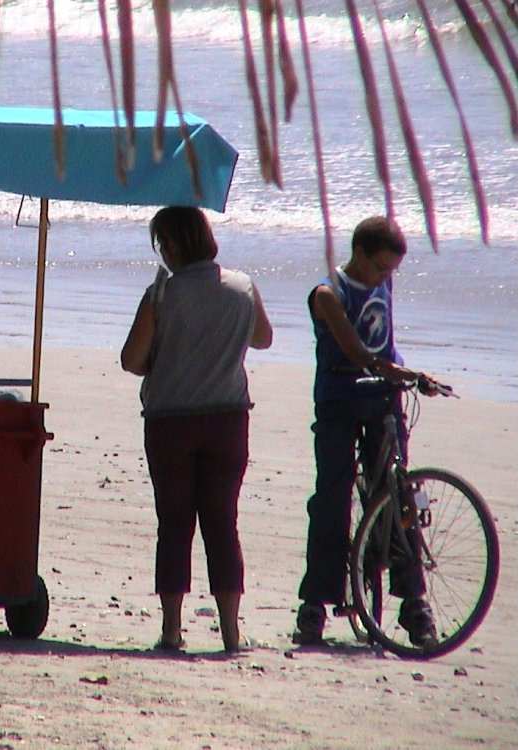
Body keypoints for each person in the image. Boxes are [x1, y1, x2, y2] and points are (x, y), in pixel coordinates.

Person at [121, 206, 273, 653]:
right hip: (227, 417)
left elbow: (132, 360)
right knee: (222, 521)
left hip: (171, 420)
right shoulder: (242, 286)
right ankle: (230, 630)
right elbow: (263, 338)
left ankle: (171, 630)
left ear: (171, 245)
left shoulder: (161, 296)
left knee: (174, 523)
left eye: (161, 244)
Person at [293, 215, 437, 647]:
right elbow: (357, 351)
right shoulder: (327, 295)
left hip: (382, 399)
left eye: (390, 271)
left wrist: (409, 378)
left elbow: (383, 345)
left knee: (399, 497)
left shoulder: (384, 281)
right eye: (379, 268)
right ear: (358, 254)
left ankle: (413, 604)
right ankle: (316, 604)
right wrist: (391, 369)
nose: (385, 277)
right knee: (332, 500)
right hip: (340, 399)